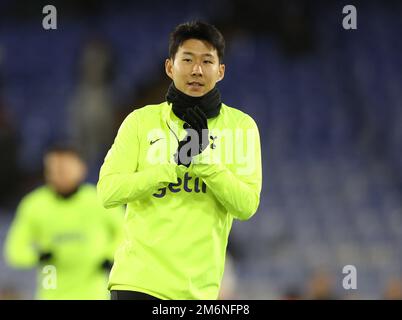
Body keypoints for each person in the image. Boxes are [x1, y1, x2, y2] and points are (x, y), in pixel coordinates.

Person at [97, 21, 262, 300]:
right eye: (187, 59)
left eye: (207, 61)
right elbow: (108, 192)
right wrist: (172, 167)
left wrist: (203, 162)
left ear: (220, 71)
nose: (196, 70)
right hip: (138, 283)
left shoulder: (241, 127)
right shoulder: (140, 121)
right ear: (169, 67)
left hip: (198, 291)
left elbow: (246, 206)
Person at [4, 144, 124, 300]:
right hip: (52, 292)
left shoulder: (100, 200)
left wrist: (108, 256)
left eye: (66, 168)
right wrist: (38, 256)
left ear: (81, 168)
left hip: (93, 292)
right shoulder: (34, 205)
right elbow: (14, 250)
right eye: (54, 169)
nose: (60, 174)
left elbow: (126, 233)